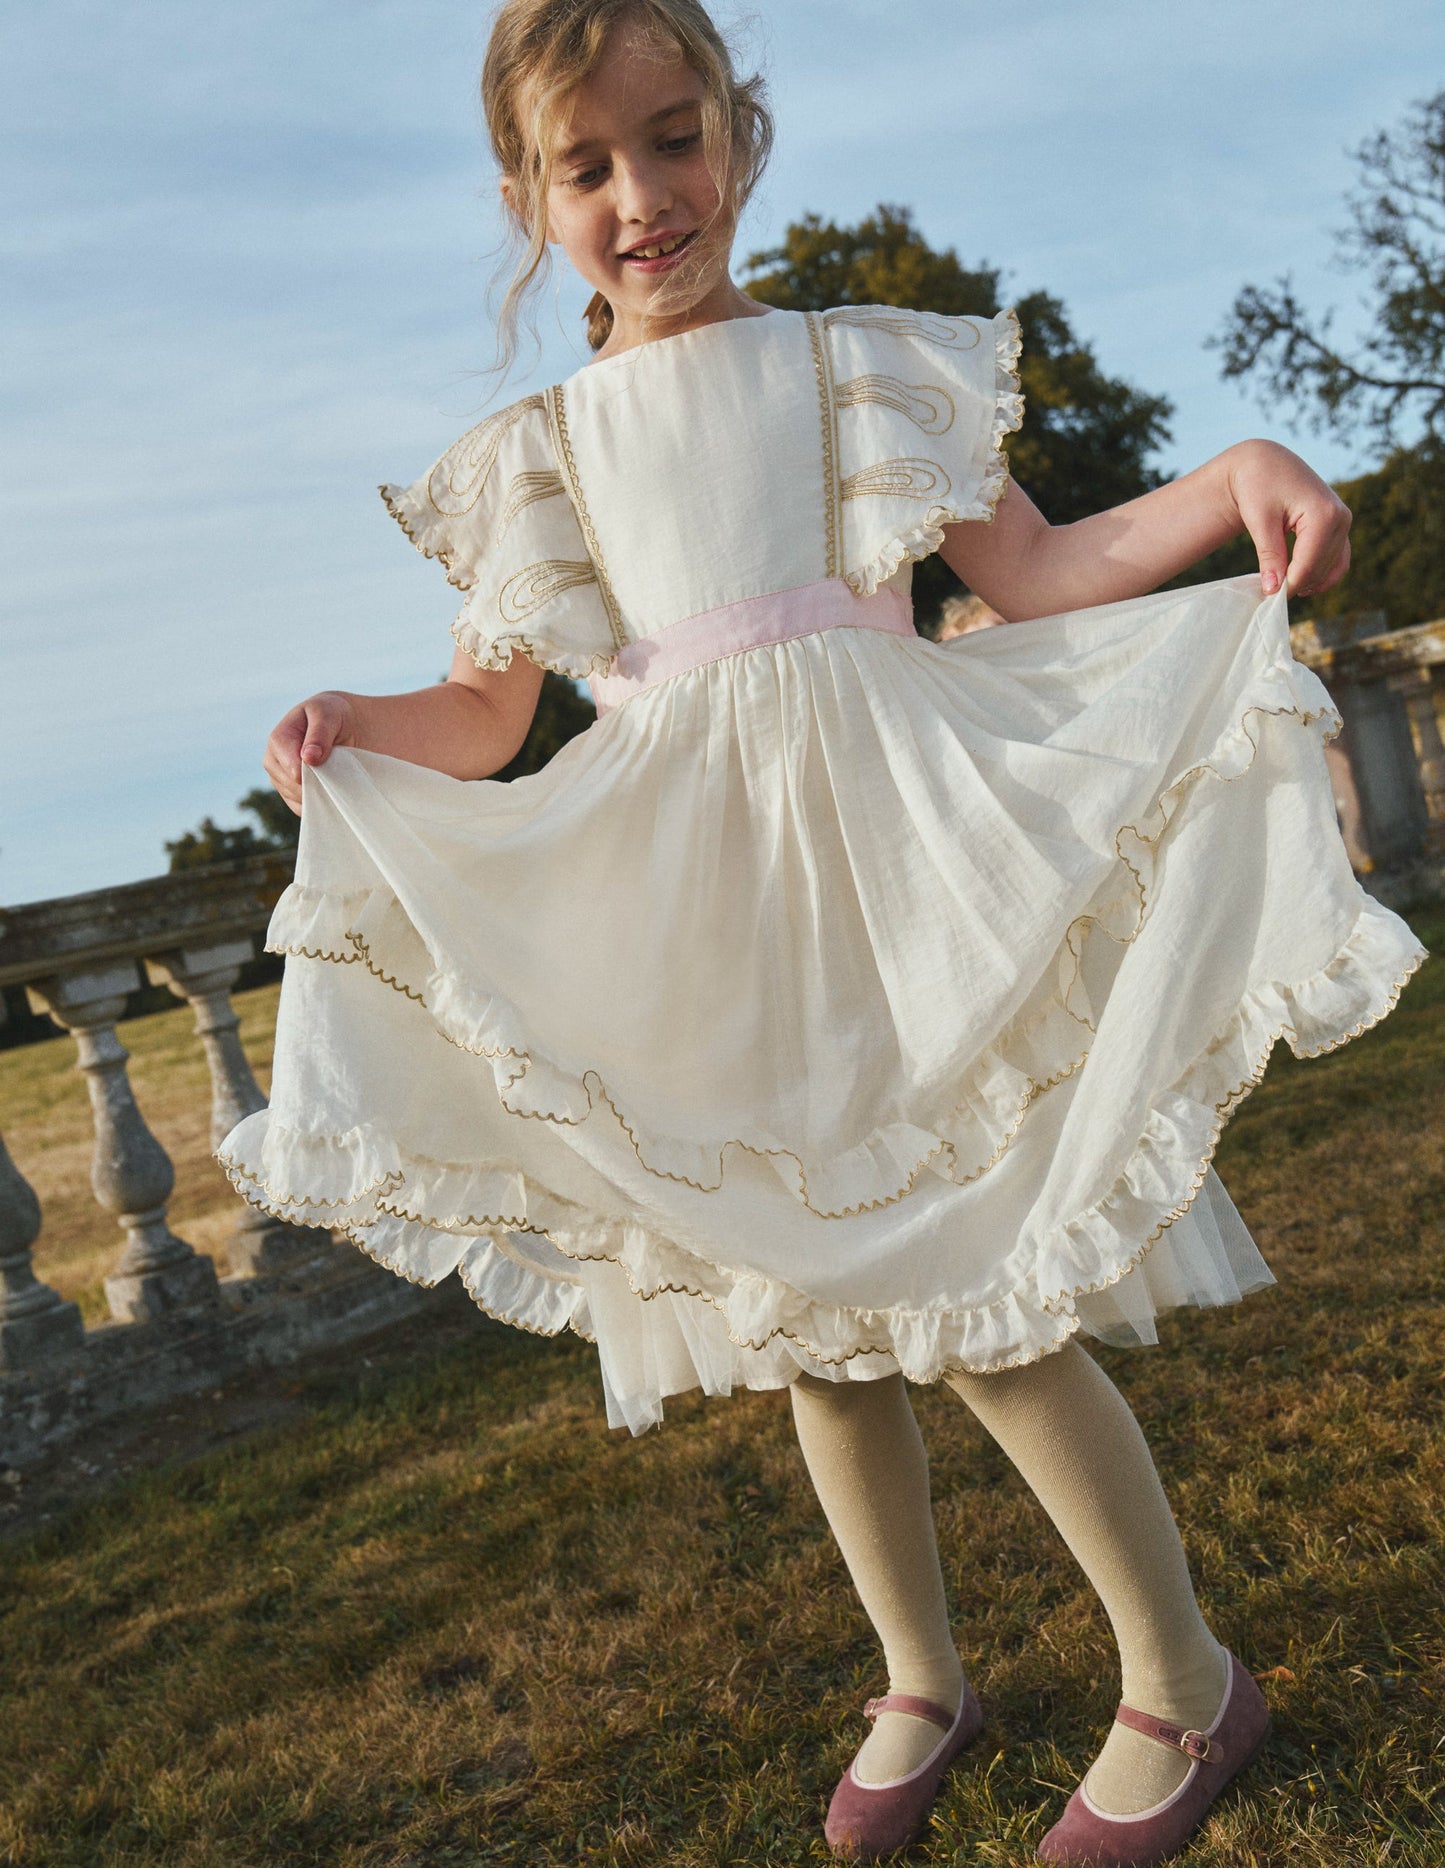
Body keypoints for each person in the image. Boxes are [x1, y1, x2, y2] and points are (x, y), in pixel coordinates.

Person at [218, 3, 1426, 1861]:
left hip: (889, 870)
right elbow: (485, 718)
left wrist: (1227, 473)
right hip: (712, 910)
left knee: (970, 1294)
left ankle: (1182, 1683)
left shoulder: (852, 368)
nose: (645, 195)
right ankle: (918, 1675)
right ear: (529, 198)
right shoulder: (532, 454)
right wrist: (356, 727)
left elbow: (1030, 572)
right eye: (589, 166)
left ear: (740, 133)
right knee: (808, 1323)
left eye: (675, 138)